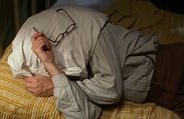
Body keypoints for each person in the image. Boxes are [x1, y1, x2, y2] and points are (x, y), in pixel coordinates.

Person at [8, 5, 157, 119]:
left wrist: (55, 84)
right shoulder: (82, 66)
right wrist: (51, 66)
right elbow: (84, 114)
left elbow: (111, 90)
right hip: (166, 92)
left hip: (170, 67)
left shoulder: (95, 31)